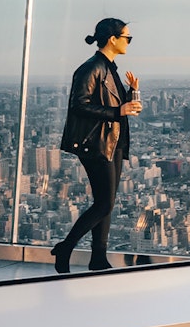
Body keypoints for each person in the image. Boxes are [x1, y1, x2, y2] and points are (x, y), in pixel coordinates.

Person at [52, 18, 141, 273]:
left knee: (107, 202)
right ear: (113, 39)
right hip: (96, 142)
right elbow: (79, 104)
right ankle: (66, 246)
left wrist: (132, 93)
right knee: (104, 204)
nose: (129, 42)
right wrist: (117, 112)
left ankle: (98, 258)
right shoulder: (91, 68)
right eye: (127, 37)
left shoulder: (109, 67)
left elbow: (117, 105)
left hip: (113, 142)